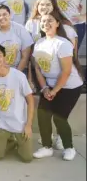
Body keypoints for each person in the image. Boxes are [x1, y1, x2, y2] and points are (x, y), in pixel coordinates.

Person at [32, 14, 84, 161]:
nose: (46, 23)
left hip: (69, 86)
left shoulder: (63, 43)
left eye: (50, 20)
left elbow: (66, 72)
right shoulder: (39, 43)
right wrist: (44, 89)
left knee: (59, 117)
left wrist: (55, 91)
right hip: (49, 85)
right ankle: (47, 147)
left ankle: (69, 148)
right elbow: (37, 69)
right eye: (43, 21)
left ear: (57, 24)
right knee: (42, 114)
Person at [0, 43, 34, 163]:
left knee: (27, 158)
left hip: (20, 123)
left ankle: (17, 141)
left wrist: (28, 125)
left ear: (5, 57)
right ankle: (9, 141)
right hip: (1, 123)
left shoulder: (19, 76)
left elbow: (30, 100)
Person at [0, 5, 34, 73]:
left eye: (4, 14)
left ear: (10, 15)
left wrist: (16, 74)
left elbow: (25, 56)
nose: (2, 17)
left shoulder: (20, 29)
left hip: (19, 69)